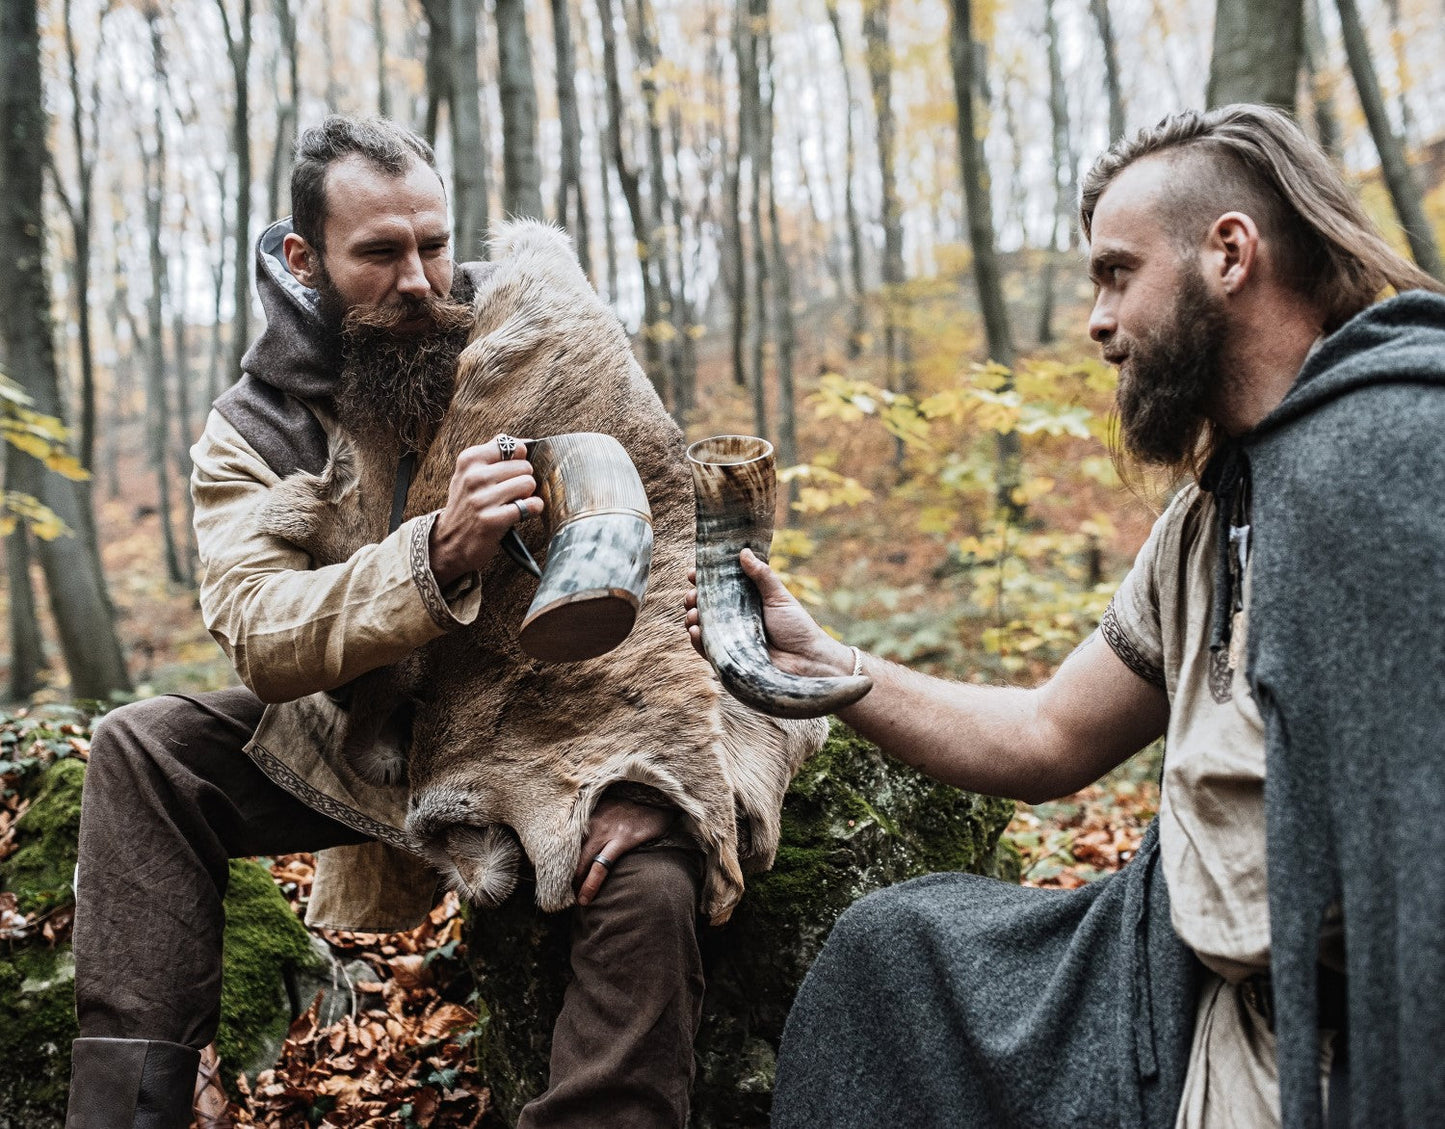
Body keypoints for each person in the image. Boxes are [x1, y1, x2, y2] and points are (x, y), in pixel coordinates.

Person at [686, 104, 1445, 1128]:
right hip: (1183, 974)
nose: (1094, 320)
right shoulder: (1209, 513)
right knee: (896, 956)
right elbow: (1046, 737)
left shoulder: (1394, 458)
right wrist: (828, 661)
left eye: (1115, 272)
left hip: (1340, 1044)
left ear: (1227, 254)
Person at [67, 116, 702, 1129]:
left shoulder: (545, 339)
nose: (419, 281)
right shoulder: (258, 425)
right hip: (375, 742)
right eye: (378, 253)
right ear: (301, 258)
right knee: (143, 748)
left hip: (560, 726)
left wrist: (664, 783)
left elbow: (680, 550)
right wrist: (433, 557)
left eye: (435, 244)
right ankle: (128, 1110)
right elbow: (255, 627)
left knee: (651, 880)